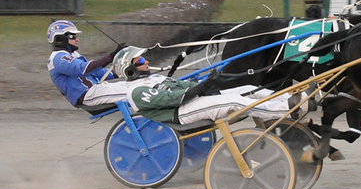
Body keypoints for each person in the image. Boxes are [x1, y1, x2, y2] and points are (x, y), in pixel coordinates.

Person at [114, 46, 309, 125]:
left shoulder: (153, 79)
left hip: (192, 102)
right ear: (129, 69)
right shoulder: (136, 91)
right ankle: (285, 110)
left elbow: (185, 85)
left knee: (243, 90)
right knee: (235, 101)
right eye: (140, 62)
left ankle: (287, 98)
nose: (146, 62)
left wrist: (209, 83)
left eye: (144, 59)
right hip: (180, 113)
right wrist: (205, 85)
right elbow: (175, 99)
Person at [47, 20, 128, 107]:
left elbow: (97, 72)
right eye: (72, 36)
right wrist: (111, 56)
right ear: (59, 39)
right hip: (87, 95)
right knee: (136, 93)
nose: (77, 39)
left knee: (138, 85)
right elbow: (83, 69)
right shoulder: (58, 58)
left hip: (96, 90)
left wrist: (124, 71)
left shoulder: (72, 54)